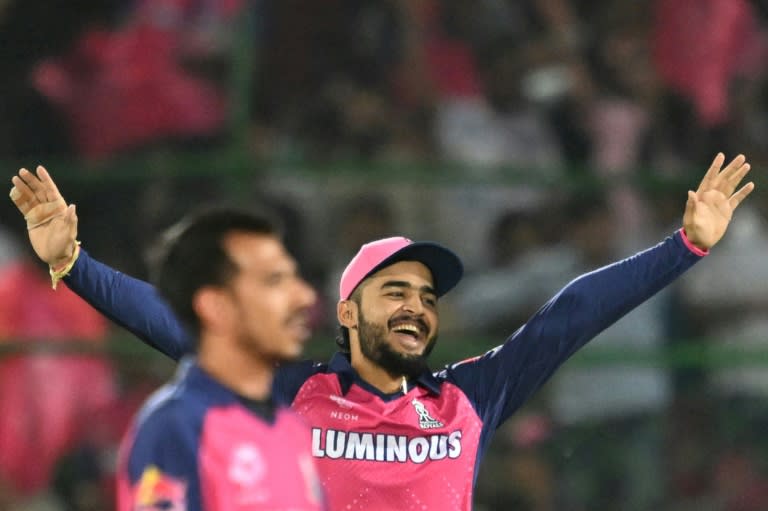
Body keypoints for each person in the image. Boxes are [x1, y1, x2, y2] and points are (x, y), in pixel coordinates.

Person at [9, 153, 755, 510]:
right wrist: (71, 262)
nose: (416, 307)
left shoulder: (471, 397)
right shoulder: (289, 388)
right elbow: (176, 324)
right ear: (346, 311)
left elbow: (571, 316)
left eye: (426, 296)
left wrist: (682, 247)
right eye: (393, 290)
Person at [9, 182, 325, 510]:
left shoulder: (292, 427)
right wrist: (72, 263)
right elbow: (164, 319)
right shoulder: (178, 425)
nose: (301, 298)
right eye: (272, 284)